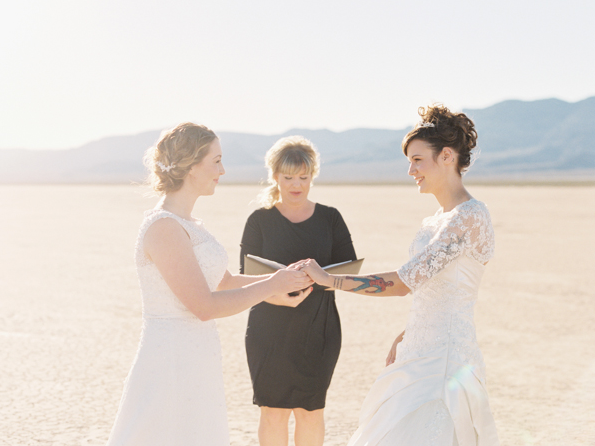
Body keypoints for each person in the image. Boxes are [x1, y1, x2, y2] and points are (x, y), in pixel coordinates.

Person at [300, 105, 500, 446]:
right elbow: (437, 290)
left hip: (444, 362)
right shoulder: (437, 219)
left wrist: (329, 280)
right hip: (420, 349)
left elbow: (402, 283)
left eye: (418, 160)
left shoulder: (469, 217)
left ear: (447, 156)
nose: (410, 170)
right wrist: (409, 332)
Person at [105, 123, 313, 446]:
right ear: (191, 167)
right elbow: (204, 306)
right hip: (170, 361)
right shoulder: (164, 229)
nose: (223, 170)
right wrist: (273, 282)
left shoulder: (190, 224)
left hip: (197, 358)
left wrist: (280, 284)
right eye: (215, 161)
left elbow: (224, 282)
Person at [239, 136, 357, 446]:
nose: (296, 184)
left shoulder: (330, 218)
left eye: (303, 177)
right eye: (288, 177)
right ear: (274, 175)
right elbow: (245, 277)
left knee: (310, 411)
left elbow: (348, 270)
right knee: (273, 411)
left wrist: (321, 276)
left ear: (312, 176)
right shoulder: (260, 220)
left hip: (319, 328)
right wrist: (275, 294)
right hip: (269, 327)